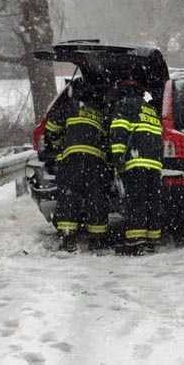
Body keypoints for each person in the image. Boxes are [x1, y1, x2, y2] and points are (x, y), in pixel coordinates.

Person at [53, 80, 113, 253]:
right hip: (95, 162)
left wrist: (59, 144)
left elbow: (51, 128)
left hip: (72, 159)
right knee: (96, 197)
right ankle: (97, 239)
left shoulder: (70, 108)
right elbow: (109, 139)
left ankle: (68, 237)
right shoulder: (101, 113)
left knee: (69, 196)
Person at [108, 78, 165, 255]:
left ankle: (136, 241)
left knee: (136, 201)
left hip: (136, 161)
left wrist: (117, 158)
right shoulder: (150, 110)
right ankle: (152, 240)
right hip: (154, 164)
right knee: (152, 201)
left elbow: (119, 131)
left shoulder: (125, 105)